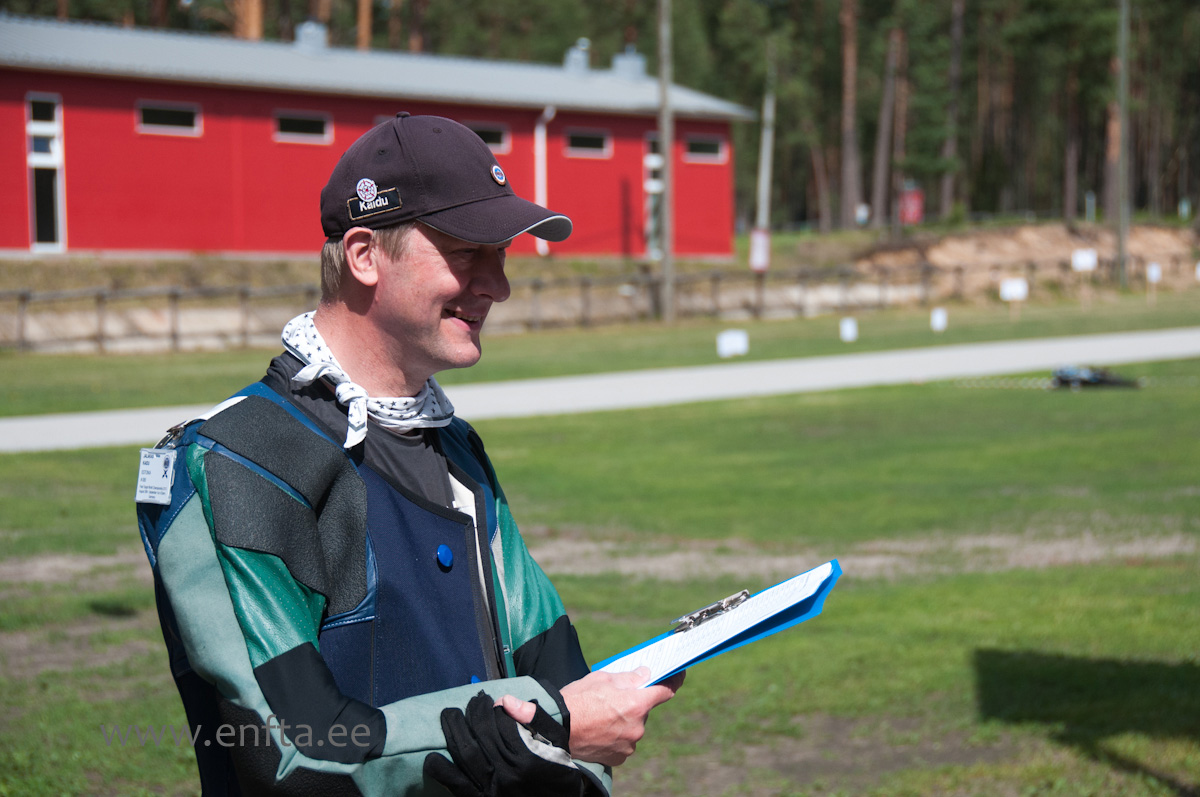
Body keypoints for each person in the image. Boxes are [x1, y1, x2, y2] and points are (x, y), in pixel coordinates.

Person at [136, 112, 683, 796]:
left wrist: (607, 701)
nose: (498, 285)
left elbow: (555, 671)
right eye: (467, 253)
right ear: (364, 255)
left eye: (502, 256)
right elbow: (292, 752)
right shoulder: (235, 461)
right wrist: (552, 724)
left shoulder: (453, 444)